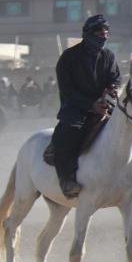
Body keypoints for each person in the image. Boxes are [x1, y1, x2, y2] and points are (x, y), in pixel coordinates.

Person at [51, 14, 121, 198]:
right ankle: (67, 180)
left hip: (105, 105)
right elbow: (67, 90)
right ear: (88, 34)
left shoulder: (108, 55)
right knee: (69, 133)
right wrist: (91, 105)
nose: (103, 36)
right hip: (75, 109)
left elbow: (115, 78)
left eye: (106, 32)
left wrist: (112, 89)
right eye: (99, 32)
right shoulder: (69, 57)